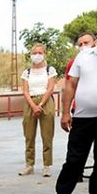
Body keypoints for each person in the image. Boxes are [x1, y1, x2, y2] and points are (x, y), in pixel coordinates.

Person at [49, 21, 97, 194]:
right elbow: (70, 85)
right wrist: (66, 112)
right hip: (82, 117)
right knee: (74, 159)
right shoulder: (83, 56)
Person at [19, 44, 58, 177]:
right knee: (29, 135)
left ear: (44, 54)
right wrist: (33, 106)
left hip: (45, 101)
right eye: (34, 53)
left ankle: (46, 166)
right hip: (30, 102)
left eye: (39, 52)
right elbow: (25, 91)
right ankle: (29, 165)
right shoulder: (26, 72)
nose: (37, 55)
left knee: (47, 135)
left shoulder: (49, 70)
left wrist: (40, 104)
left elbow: (50, 88)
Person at [64, 33, 97, 115]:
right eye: (80, 45)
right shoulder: (73, 64)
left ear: (95, 42)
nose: (83, 46)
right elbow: (69, 88)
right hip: (79, 109)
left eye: (86, 43)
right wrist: (66, 112)